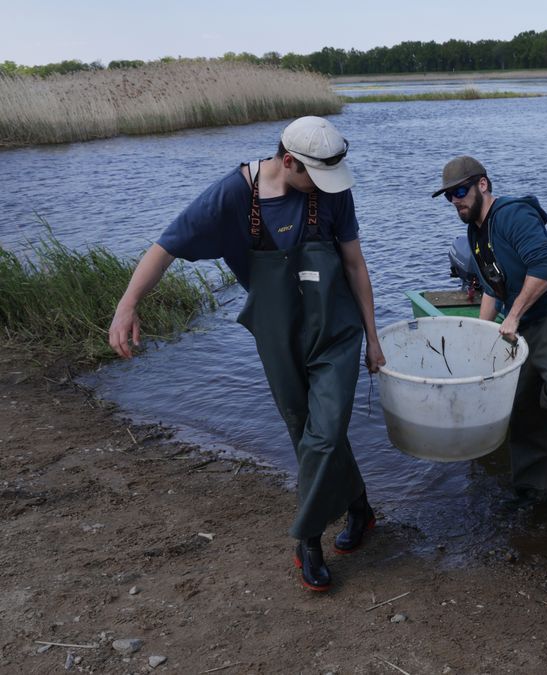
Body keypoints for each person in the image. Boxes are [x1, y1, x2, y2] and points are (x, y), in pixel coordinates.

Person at [108, 116, 386, 592]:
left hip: (337, 329)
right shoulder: (233, 196)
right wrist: (127, 305)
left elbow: (355, 264)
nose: (326, 188)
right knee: (307, 431)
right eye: (314, 176)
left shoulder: (334, 191)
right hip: (278, 332)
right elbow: (166, 247)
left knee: (327, 429)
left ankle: (308, 539)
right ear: (289, 161)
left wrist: (373, 337)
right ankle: (359, 507)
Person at [432, 156, 547, 509]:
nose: (456, 200)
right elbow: (491, 289)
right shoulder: (475, 233)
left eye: (461, 191)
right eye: (449, 195)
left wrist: (511, 318)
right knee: (519, 404)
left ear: (483, 184)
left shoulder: (513, 215)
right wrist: (482, 338)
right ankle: (534, 492)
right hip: (525, 321)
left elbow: (544, 267)